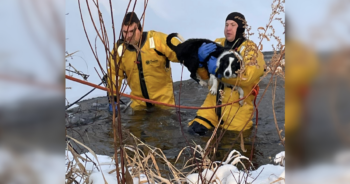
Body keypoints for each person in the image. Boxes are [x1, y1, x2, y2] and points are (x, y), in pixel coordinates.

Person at [188, 12, 266, 135]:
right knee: (194, 132)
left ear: (240, 28)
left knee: (232, 145)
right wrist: (201, 64)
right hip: (211, 106)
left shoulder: (251, 50)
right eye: (226, 24)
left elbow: (248, 77)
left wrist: (220, 73)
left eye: (233, 25)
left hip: (236, 111)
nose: (228, 28)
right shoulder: (216, 44)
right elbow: (207, 78)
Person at [106, 12, 181, 113]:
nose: (128, 36)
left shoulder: (156, 40)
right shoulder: (119, 51)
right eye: (125, 32)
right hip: (139, 107)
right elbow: (115, 75)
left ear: (139, 29)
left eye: (131, 31)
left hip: (164, 106)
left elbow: (182, 52)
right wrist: (113, 99)